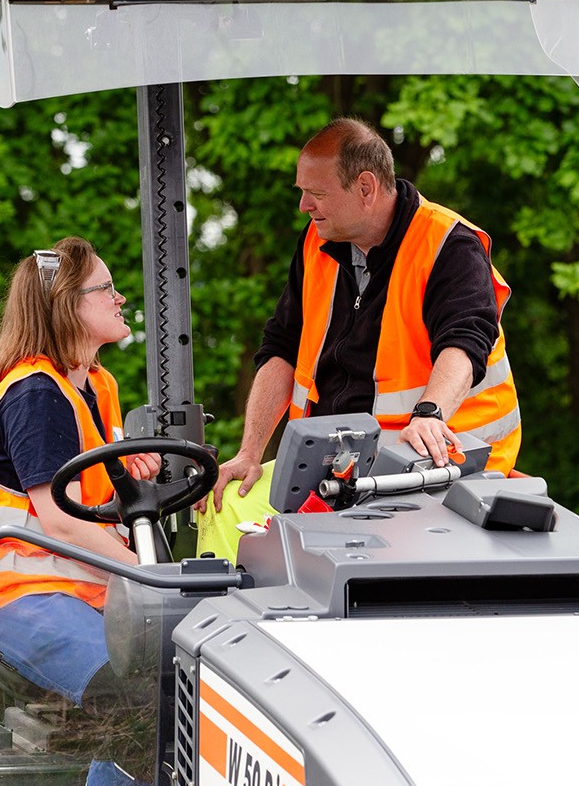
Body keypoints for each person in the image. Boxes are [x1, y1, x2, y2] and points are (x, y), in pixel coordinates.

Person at [200, 118, 520, 556]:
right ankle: (240, 618)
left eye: (316, 192)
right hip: (337, 468)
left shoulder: (447, 243)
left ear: (366, 188)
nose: (304, 206)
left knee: (326, 550)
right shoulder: (317, 242)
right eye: (301, 190)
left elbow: (464, 343)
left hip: (440, 468)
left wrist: (431, 414)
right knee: (222, 504)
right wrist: (249, 454)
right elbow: (279, 350)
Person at [0, 236, 160, 786]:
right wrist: (148, 576)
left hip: (79, 594)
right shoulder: (35, 393)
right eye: (106, 288)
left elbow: (90, 494)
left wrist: (137, 473)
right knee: (141, 710)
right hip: (21, 600)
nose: (121, 298)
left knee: (160, 698)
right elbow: (59, 519)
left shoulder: (95, 384)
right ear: (68, 306)